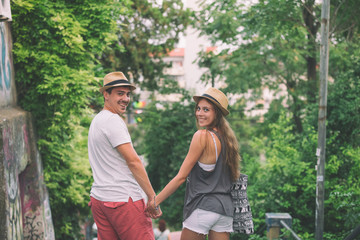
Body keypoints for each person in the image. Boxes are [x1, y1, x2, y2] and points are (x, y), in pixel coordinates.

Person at [146, 87, 241, 240]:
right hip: (224, 210)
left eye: (206, 109)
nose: (199, 113)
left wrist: (155, 202)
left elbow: (181, 177)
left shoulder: (202, 136)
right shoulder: (228, 140)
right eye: (198, 108)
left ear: (216, 113)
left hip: (203, 208)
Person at [88, 71, 161, 240]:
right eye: (120, 93)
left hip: (100, 199)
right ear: (106, 94)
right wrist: (152, 198)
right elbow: (134, 161)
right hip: (123, 199)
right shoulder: (113, 121)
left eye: (127, 94)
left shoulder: (97, 120)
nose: (126, 99)